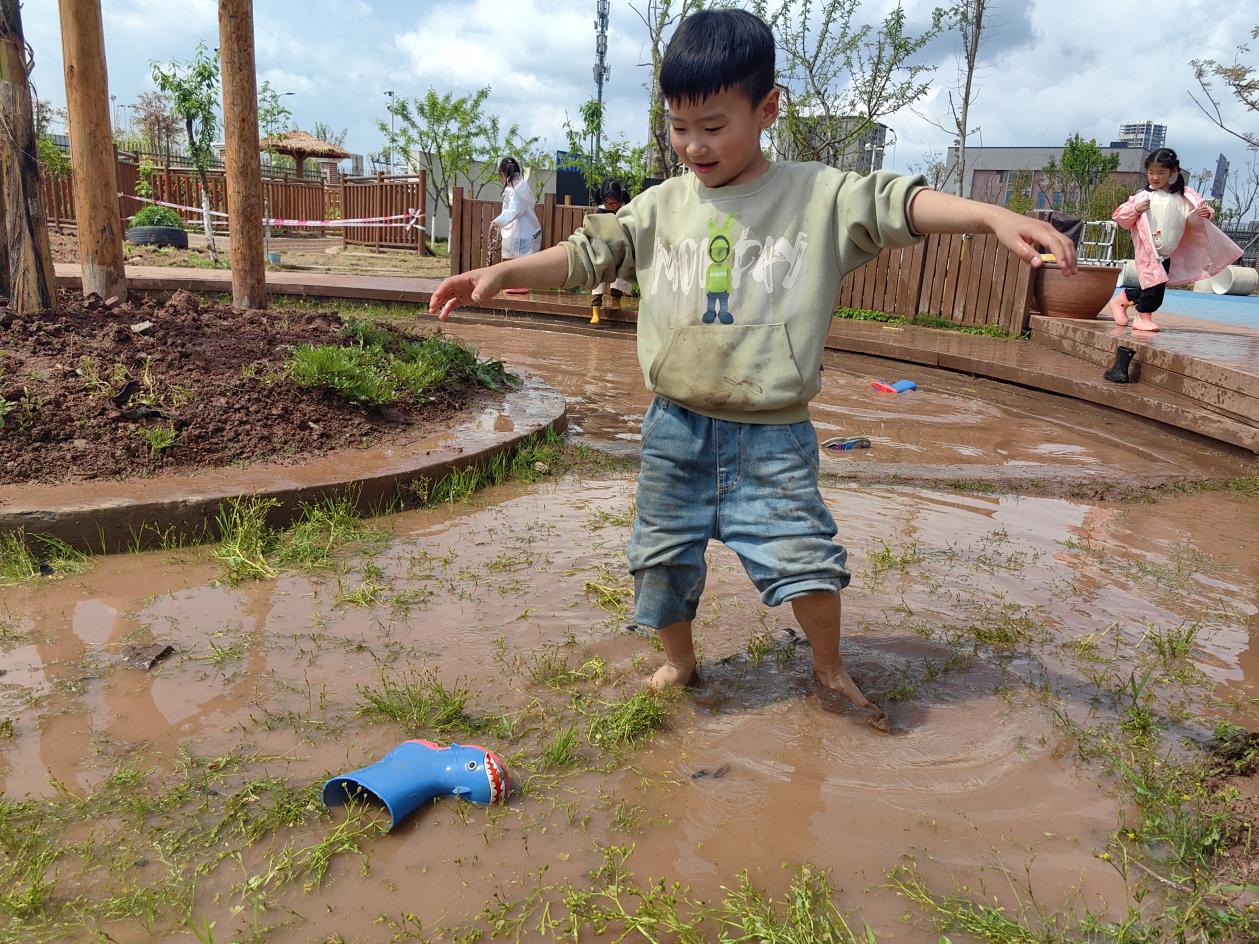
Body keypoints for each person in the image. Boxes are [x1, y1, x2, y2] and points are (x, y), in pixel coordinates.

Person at [429, 8, 1076, 730]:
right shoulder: (659, 206)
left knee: (805, 557)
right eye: (679, 128)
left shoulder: (817, 197)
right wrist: (502, 271)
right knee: (660, 556)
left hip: (771, 435)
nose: (693, 146)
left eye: (712, 125)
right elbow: (587, 253)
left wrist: (990, 218)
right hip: (674, 426)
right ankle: (679, 661)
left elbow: (900, 204)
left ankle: (828, 668)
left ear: (767, 108)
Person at [1109, 147, 1242, 332]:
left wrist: (1207, 212)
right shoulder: (1143, 196)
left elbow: (1202, 208)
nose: (1155, 177)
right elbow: (1120, 217)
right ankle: (1143, 316)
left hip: (1169, 251)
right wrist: (1136, 209)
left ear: (1173, 172)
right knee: (1154, 286)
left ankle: (1122, 300)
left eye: (1160, 173)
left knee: (1155, 286)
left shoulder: (1185, 195)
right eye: (1151, 173)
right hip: (1149, 251)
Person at [490, 157, 541, 296]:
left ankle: (518, 285)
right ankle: (518, 284)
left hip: (520, 232)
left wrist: (497, 222)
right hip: (527, 229)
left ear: (502, 174)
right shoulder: (521, 186)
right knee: (522, 260)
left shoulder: (515, 188)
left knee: (517, 259)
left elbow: (514, 209)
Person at [590, 178, 634, 325]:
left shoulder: (624, 211)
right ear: (603, 200)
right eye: (608, 203)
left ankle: (616, 299)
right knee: (599, 276)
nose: (612, 206)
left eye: (615, 203)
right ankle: (595, 309)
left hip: (619, 249)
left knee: (622, 272)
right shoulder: (599, 212)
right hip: (602, 249)